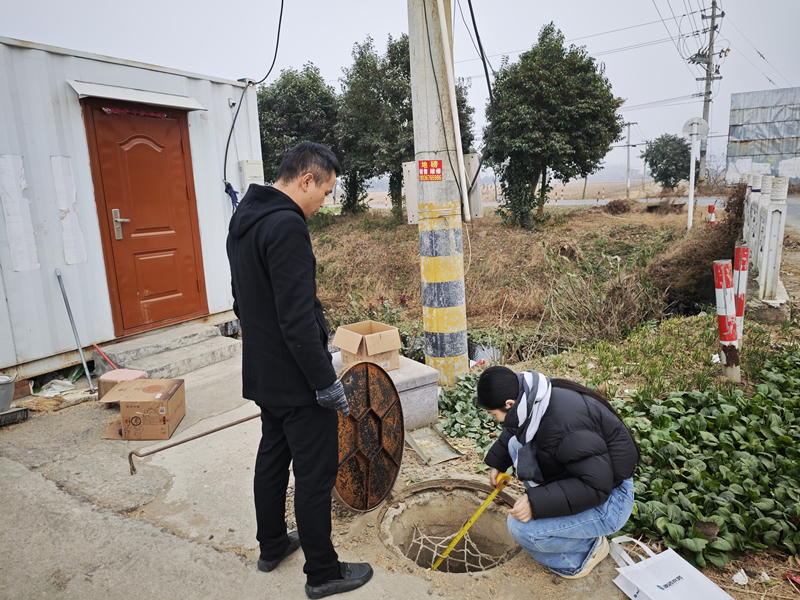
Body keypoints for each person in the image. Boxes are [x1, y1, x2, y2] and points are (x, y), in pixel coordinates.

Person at [227, 142, 373, 599]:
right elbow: (294, 319)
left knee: (273, 456)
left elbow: (241, 299)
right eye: (326, 192)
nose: (324, 203)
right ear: (306, 180)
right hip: (297, 380)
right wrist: (324, 383)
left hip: (264, 374)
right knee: (315, 475)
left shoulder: (244, 216)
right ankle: (323, 572)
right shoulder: (287, 225)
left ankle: (272, 545)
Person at [477, 365, 639, 579]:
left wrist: (536, 502)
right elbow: (516, 427)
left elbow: (595, 487)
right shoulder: (534, 394)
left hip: (609, 502)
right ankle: (562, 520)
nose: (494, 419)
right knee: (517, 445)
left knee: (522, 530)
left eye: (493, 413)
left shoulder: (566, 426)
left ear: (510, 403)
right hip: (586, 477)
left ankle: (585, 553)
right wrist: (498, 462)